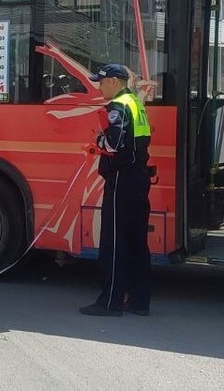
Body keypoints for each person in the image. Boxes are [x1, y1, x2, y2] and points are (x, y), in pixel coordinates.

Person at [79, 64, 153, 317]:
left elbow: (113, 143)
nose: (99, 88)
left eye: (101, 83)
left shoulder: (117, 106)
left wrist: (98, 141)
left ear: (114, 81)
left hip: (122, 179)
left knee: (114, 242)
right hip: (139, 178)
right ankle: (139, 302)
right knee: (136, 242)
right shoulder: (136, 103)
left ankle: (109, 302)